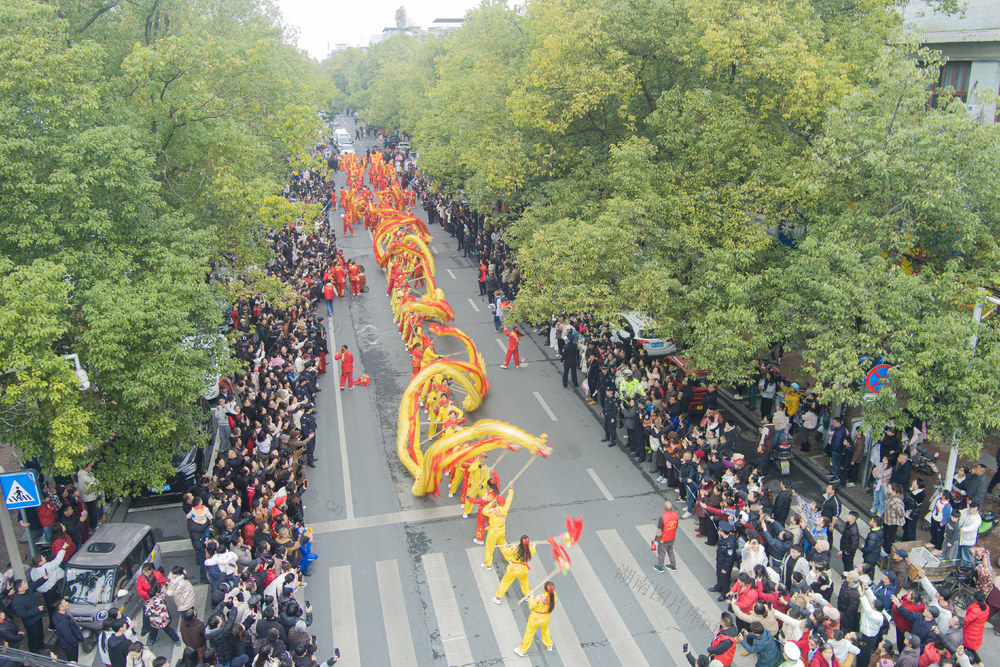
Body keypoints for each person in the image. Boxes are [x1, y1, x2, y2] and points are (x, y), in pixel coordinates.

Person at [513, 580, 555, 657]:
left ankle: (522, 650)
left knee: (529, 634)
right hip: (545, 617)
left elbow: (531, 605)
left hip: (535, 618)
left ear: (545, 588)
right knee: (545, 630)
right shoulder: (553, 596)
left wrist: (531, 596)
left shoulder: (539, 597)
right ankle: (549, 644)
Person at [494, 535, 535, 602]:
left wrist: (504, 547)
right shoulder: (529, 549)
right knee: (524, 582)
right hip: (523, 570)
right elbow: (533, 550)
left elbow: (506, 552)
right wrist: (534, 545)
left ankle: (498, 598)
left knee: (505, 582)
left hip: (513, 569)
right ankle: (528, 595)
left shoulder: (515, 548)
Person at [10, 578, 46, 652]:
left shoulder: (28, 589)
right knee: (33, 637)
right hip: (31, 622)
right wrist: (36, 610)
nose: (26, 584)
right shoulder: (16, 601)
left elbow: (36, 584)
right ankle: (34, 651)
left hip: (38, 616)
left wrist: (44, 578)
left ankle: (41, 645)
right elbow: (23, 614)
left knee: (40, 633)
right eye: (24, 584)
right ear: (19, 589)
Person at [482, 490, 513, 569]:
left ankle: (488, 564)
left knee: (489, 547)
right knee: (503, 545)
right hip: (501, 531)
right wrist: (511, 489)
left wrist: (491, 503)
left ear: (497, 502)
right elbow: (509, 499)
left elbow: (483, 511)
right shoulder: (505, 509)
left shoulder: (493, 511)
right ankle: (509, 559)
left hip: (493, 532)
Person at [709, 522, 737, 601]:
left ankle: (724, 593)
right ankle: (718, 586)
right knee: (718, 574)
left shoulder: (730, 544)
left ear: (723, 532)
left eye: (720, 530)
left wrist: (726, 568)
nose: (719, 531)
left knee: (725, 579)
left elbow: (730, 558)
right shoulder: (722, 538)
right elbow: (719, 547)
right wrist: (717, 555)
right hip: (720, 560)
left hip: (725, 563)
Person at [652, 500, 679, 572]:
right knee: (670, 551)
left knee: (661, 553)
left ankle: (660, 567)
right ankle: (673, 565)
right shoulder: (676, 515)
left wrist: (656, 539)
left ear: (664, 508)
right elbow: (676, 526)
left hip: (664, 539)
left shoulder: (663, 517)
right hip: (672, 537)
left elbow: (659, 530)